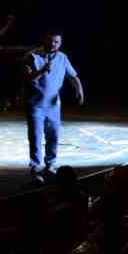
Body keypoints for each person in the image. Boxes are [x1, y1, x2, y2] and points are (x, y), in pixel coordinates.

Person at [24, 30, 84, 180]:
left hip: (53, 106)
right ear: (44, 40)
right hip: (35, 104)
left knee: (53, 136)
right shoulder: (31, 56)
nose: (53, 44)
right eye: (50, 40)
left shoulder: (63, 58)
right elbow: (26, 77)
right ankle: (36, 168)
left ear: (60, 43)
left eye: (56, 41)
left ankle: (50, 165)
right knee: (36, 137)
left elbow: (73, 76)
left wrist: (80, 90)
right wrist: (41, 70)